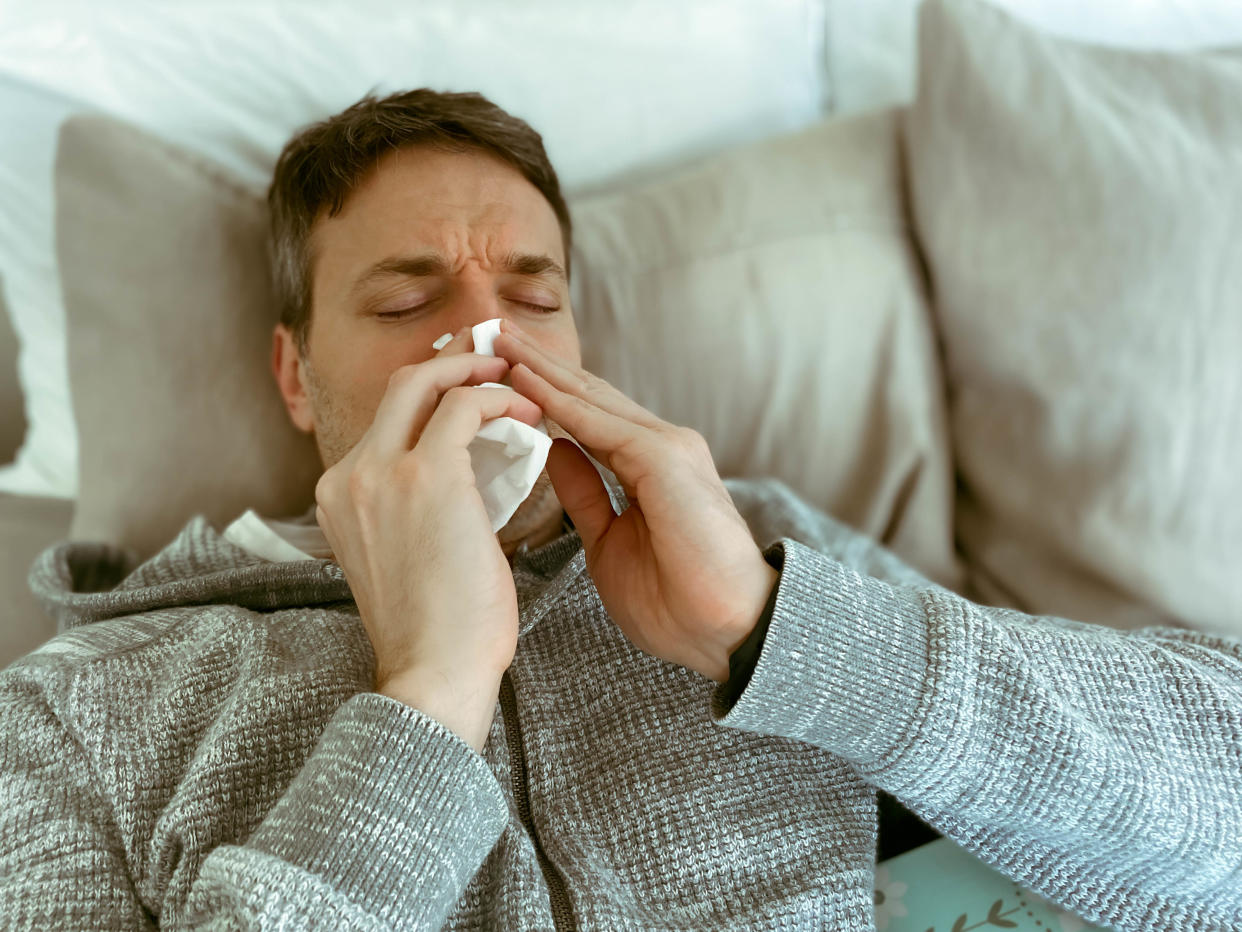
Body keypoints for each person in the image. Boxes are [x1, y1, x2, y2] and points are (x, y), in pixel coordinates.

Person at [1, 88, 1238, 932]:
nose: (483, 340)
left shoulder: (754, 540)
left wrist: (770, 630)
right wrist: (425, 695)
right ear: (293, 374)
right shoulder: (80, 703)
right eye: (402, 302)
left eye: (531, 296)